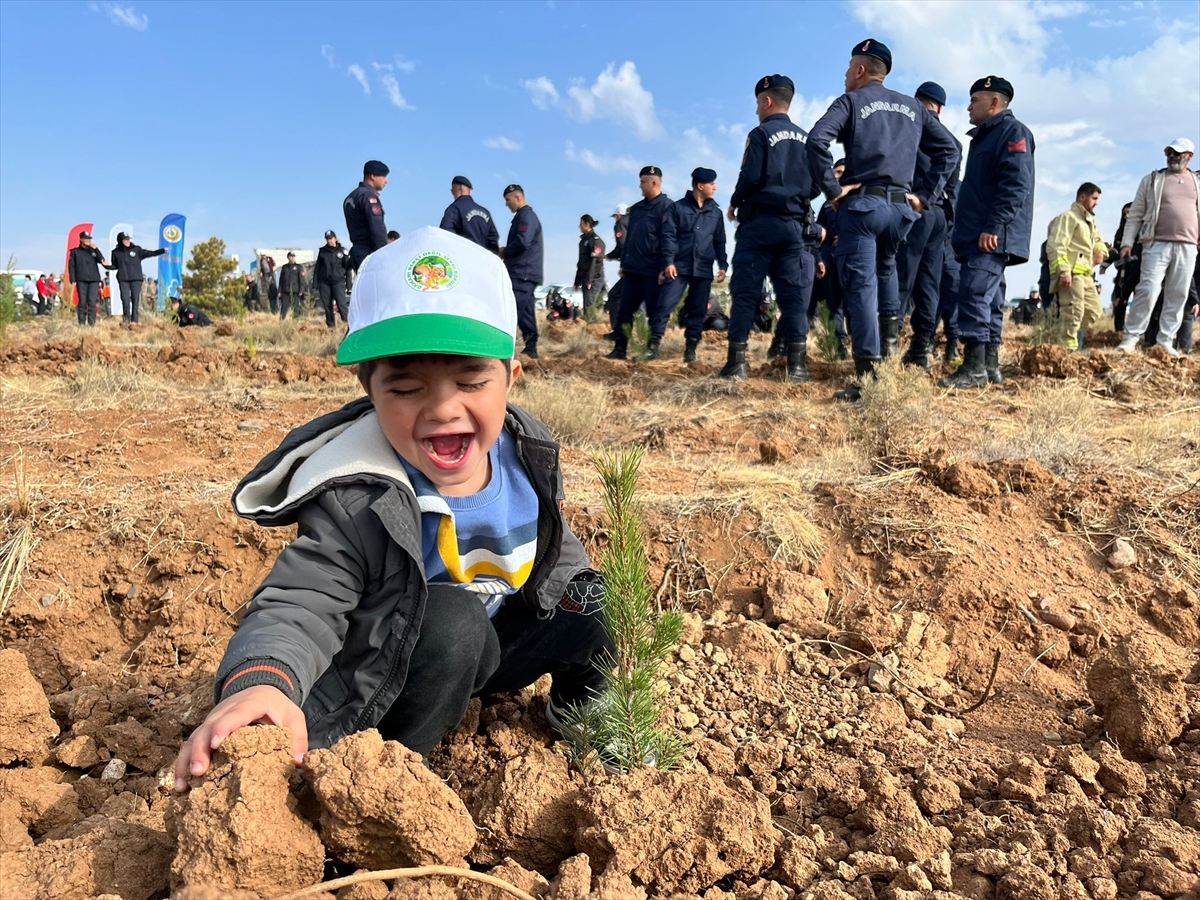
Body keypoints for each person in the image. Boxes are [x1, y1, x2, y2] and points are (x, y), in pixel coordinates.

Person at [171, 227, 612, 789]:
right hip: (392, 664)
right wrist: (263, 682)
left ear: (510, 378)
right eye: (405, 389)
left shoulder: (527, 455)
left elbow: (554, 546)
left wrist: (580, 593)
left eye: (471, 381)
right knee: (455, 626)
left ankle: (580, 712)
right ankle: (387, 776)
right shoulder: (358, 494)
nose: (443, 408)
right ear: (369, 390)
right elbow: (303, 601)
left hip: (493, 645)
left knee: (596, 598)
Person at [807, 40, 959, 400]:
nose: (846, 74)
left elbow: (816, 141)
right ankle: (888, 364)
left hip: (864, 208)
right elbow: (951, 149)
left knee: (861, 287)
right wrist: (925, 195)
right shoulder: (912, 106)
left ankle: (868, 378)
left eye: (849, 67)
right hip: (901, 212)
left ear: (860, 70)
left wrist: (832, 190)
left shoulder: (851, 102)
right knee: (887, 272)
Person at [940, 75, 1036, 389]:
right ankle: (990, 367)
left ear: (994, 102)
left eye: (974, 100)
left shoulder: (1012, 132)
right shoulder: (985, 137)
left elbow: (1016, 184)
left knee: (974, 294)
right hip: (978, 234)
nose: (969, 107)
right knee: (990, 299)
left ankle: (974, 368)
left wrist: (994, 226)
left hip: (990, 235)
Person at [896, 81, 962, 371]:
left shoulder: (910, 130)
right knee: (928, 283)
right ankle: (921, 348)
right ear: (940, 109)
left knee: (900, 276)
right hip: (939, 218)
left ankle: (887, 346)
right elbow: (954, 190)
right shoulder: (954, 142)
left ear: (916, 101)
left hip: (913, 209)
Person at [1117, 138, 1200, 358]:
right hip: (1156, 244)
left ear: (1189, 156)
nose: (1171, 156)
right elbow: (1135, 214)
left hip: (1188, 246)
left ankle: (1165, 341)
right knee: (1148, 290)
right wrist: (1127, 242)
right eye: (1168, 152)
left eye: (1177, 153)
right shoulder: (1153, 180)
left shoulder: (1196, 182)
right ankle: (1130, 339)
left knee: (1178, 294)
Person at [661, 167, 728, 363]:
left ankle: (690, 349)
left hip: (703, 268)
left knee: (698, 310)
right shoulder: (677, 208)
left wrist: (722, 265)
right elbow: (668, 236)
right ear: (700, 186)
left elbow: (719, 241)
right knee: (665, 304)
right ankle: (652, 344)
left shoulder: (716, 213)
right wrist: (668, 262)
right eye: (711, 184)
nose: (715, 187)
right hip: (679, 267)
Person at [608, 166, 672, 361]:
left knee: (654, 312)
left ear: (654, 183)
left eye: (643, 182)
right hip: (633, 270)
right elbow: (630, 239)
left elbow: (669, 239)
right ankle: (620, 349)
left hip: (653, 271)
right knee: (624, 311)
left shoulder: (668, 207)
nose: (640, 186)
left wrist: (665, 266)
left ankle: (651, 350)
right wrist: (624, 264)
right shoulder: (636, 209)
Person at [1045, 183, 1107, 350]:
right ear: (1082, 197)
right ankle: (1066, 351)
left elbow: (1098, 240)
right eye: (1094, 198)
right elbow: (1056, 246)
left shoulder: (1089, 222)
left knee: (1093, 310)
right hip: (1072, 274)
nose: (1096, 203)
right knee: (1073, 313)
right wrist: (1064, 271)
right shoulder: (1068, 218)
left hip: (1086, 274)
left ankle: (1065, 338)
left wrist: (1100, 250)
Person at [809, 159, 849, 360]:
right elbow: (819, 235)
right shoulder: (827, 205)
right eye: (835, 172)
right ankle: (840, 347)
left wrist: (849, 235)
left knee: (857, 304)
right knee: (835, 306)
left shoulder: (861, 198)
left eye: (840, 172)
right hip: (830, 258)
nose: (836, 176)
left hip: (854, 256)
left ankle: (864, 349)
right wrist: (819, 258)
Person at [500, 184, 544, 358]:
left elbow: (523, 242)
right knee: (526, 313)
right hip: (525, 273)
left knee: (512, 311)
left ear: (517, 198)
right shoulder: (523, 216)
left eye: (507, 200)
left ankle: (502, 350)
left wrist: (506, 251)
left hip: (523, 273)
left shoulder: (526, 217)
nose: (506, 204)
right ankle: (531, 348)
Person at [110, 232, 167, 324]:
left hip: (136, 279)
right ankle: (126, 320)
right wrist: (106, 266)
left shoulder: (136, 249)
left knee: (135, 299)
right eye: (125, 239)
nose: (127, 241)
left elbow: (150, 253)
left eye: (128, 239)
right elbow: (115, 265)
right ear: (120, 241)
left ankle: (135, 321)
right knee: (125, 299)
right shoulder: (115, 252)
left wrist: (162, 251)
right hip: (123, 279)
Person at [344, 159, 391, 271]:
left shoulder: (350, 197)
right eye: (384, 176)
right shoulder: (368, 197)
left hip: (357, 252)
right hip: (369, 252)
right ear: (373, 176)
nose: (386, 181)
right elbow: (377, 228)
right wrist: (384, 253)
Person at [439, 175, 500, 252]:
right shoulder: (485, 212)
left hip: (462, 255)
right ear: (470, 191)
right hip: (483, 257)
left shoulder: (454, 209)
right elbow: (493, 238)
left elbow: (445, 232)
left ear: (452, 191)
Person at [68, 231, 113, 326]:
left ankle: (92, 323)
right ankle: (82, 322)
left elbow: (102, 260)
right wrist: (73, 279)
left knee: (92, 302)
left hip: (94, 280)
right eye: (86, 239)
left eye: (89, 239)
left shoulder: (93, 251)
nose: (88, 240)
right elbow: (71, 267)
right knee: (82, 302)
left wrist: (96, 249)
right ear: (81, 239)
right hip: (81, 280)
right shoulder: (75, 252)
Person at [315, 230, 353, 328]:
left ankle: (347, 324)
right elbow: (317, 269)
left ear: (335, 239)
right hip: (324, 282)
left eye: (331, 239)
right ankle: (331, 325)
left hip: (338, 282)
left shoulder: (342, 251)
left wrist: (349, 285)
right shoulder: (322, 251)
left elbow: (348, 269)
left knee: (341, 304)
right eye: (327, 239)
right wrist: (315, 283)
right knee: (327, 305)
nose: (329, 241)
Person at [603, 205, 630, 338]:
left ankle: (618, 331)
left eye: (615, 216)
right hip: (644, 265)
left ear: (619, 215)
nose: (615, 219)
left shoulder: (620, 224)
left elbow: (622, 246)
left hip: (630, 267)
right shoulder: (636, 221)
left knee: (614, 296)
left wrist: (623, 264)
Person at [574, 215, 607, 316]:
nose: (579, 226)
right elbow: (581, 263)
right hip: (585, 277)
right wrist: (577, 281)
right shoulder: (583, 241)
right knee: (587, 306)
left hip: (594, 278)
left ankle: (593, 325)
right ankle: (590, 324)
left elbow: (595, 262)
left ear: (587, 224)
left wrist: (590, 280)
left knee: (590, 306)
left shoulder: (595, 241)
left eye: (581, 223)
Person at [278, 252, 307, 320]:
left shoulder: (298, 267)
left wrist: (301, 290)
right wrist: (279, 291)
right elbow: (281, 280)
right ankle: (281, 320)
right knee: (284, 307)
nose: (292, 258)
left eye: (293, 256)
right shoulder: (284, 267)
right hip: (285, 290)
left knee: (295, 307)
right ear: (288, 257)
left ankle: (296, 321)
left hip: (295, 291)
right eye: (291, 256)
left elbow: (301, 279)